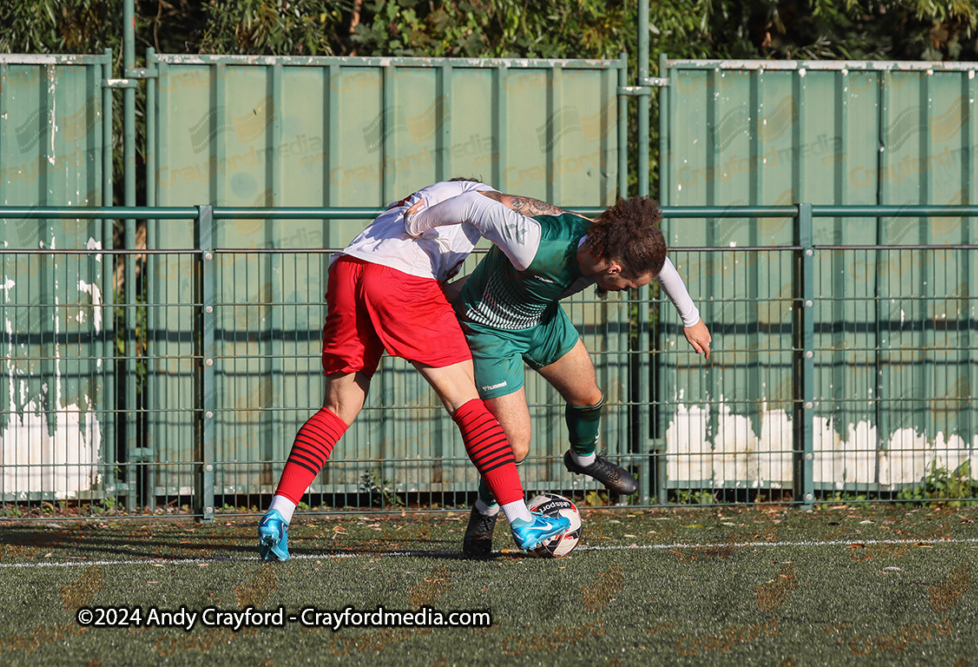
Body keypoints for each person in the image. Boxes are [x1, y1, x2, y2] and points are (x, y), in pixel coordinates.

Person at [257, 179, 571, 561]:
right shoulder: (477, 194)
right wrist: (580, 220)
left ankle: (279, 513)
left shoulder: (418, 197)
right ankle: (522, 520)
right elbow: (506, 204)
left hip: (347, 271)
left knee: (336, 410)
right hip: (401, 280)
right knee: (467, 404)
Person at [404, 190, 711, 557]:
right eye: (630, 287)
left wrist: (691, 318)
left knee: (588, 397)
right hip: (491, 330)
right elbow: (474, 204)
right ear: (613, 268)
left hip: (540, 319)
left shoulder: (614, 241)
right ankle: (483, 517)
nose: (628, 293)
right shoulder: (531, 243)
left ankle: (582, 459)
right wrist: (416, 222)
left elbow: (657, 264)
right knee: (514, 445)